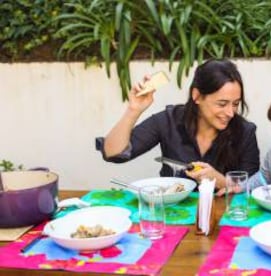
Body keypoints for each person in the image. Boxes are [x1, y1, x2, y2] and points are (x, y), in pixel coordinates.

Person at [96, 58, 260, 190]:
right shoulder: (168, 121)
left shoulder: (245, 132)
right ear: (196, 96)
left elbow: (251, 187)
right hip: (171, 215)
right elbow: (112, 153)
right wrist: (133, 110)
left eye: (236, 104)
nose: (231, 113)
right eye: (222, 104)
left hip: (222, 218)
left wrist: (222, 181)